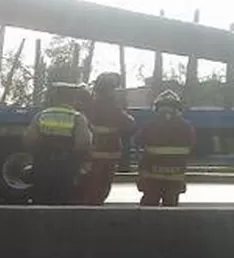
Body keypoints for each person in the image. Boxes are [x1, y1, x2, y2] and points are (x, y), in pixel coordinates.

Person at [23, 83, 93, 205]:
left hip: (43, 165)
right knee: (63, 200)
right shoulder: (77, 118)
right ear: (72, 98)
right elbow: (84, 143)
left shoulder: (41, 115)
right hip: (66, 167)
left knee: (40, 199)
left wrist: (39, 154)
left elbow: (29, 139)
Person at [79, 73, 135, 204]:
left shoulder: (89, 106)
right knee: (102, 187)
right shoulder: (113, 108)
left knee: (91, 185)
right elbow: (130, 124)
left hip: (92, 153)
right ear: (110, 91)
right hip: (110, 152)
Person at [135, 90, 196, 207]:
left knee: (148, 209)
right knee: (170, 210)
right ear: (178, 109)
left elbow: (137, 141)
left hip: (151, 175)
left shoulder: (150, 126)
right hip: (175, 176)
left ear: (157, 108)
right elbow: (192, 147)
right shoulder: (186, 127)